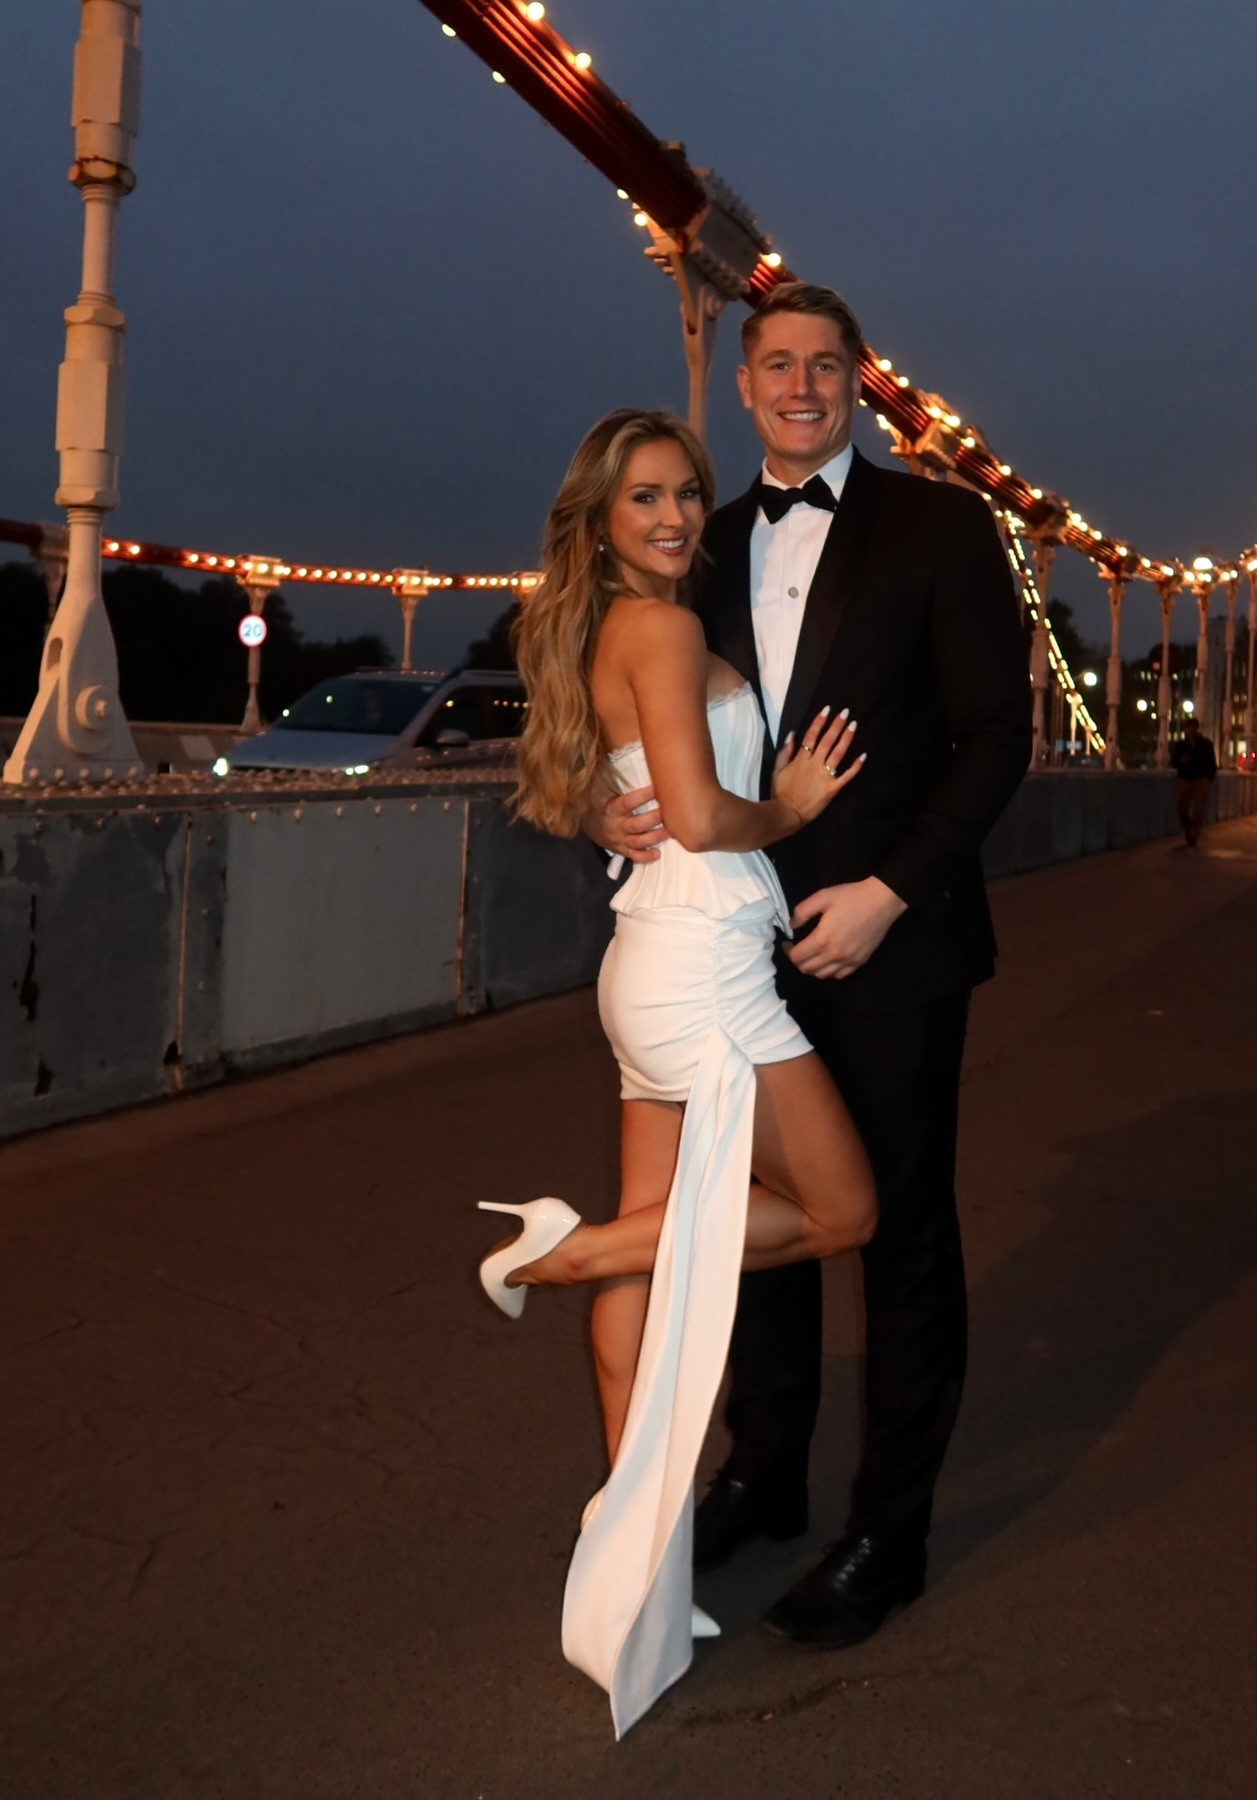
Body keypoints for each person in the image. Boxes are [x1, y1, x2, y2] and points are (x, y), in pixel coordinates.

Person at [602, 284, 1031, 1655]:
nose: (801, 383)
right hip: (735, 946)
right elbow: (639, 716)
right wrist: (614, 804)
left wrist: (892, 893)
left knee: (899, 1233)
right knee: (752, 1234)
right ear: (744, 385)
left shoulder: (943, 526)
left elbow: (993, 737)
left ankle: (885, 1534)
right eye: (776, 363)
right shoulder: (700, 545)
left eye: (826, 363)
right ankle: (763, 1473)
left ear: (862, 381)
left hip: (889, 950)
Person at [475, 407, 883, 1737]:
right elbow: (706, 819)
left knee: (663, 1262)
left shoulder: (604, 630)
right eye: (643, 497)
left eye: (682, 494)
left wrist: (610, 800)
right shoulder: (659, 629)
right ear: (600, 518)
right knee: (842, 1212)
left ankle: (638, 1562)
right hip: (707, 965)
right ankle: (559, 1254)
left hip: (643, 963)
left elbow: (616, 789)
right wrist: (801, 813)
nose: (668, 515)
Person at [1170, 715, 1218, 846]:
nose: (1190, 730)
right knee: (1181, 808)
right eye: (1188, 728)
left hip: (1201, 779)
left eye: (1193, 728)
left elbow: (1212, 763)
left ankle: (1193, 834)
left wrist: (1209, 779)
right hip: (1185, 778)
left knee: (1199, 808)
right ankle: (1189, 826)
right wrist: (1181, 761)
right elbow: (1173, 762)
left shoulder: (1206, 744)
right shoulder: (1180, 745)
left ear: (1197, 729)